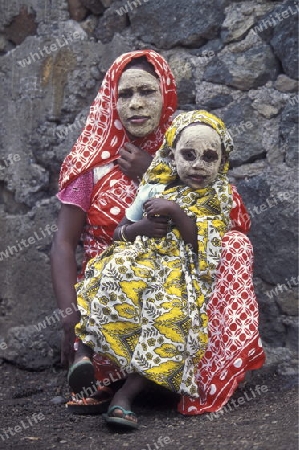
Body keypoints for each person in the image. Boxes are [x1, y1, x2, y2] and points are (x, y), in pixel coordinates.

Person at [72, 110, 265, 429]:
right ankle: (85, 361)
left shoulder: (215, 198)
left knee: (168, 317)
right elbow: (120, 231)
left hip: (181, 274)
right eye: (188, 155)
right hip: (140, 263)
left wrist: (175, 212)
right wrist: (141, 228)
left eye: (209, 157)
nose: (199, 165)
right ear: (171, 155)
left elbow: (202, 245)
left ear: (221, 163)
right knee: (105, 283)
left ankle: (124, 398)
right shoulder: (153, 187)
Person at [50, 49, 177, 402]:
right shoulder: (91, 166)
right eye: (125, 94)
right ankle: (100, 366)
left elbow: (212, 219)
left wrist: (153, 171)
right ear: (111, 99)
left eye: (147, 92)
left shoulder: (186, 155)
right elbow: (63, 243)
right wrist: (67, 317)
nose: (136, 104)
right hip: (106, 289)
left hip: (171, 283)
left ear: (165, 95)